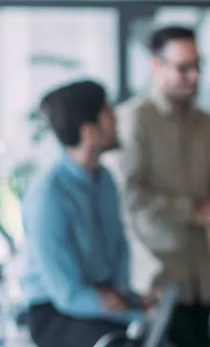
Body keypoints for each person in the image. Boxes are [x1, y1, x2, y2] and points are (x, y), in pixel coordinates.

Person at [114, 26, 210, 346]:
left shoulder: (209, 124)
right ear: (158, 66)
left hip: (204, 277)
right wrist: (194, 211)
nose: (194, 76)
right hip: (156, 276)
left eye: (198, 66)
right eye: (184, 67)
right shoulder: (134, 119)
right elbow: (129, 195)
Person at [22, 80, 151, 347]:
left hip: (103, 301)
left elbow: (118, 250)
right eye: (108, 113)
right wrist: (134, 311)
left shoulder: (104, 180)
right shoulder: (48, 194)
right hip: (57, 312)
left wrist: (132, 300)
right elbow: (67, 294)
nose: (116, 119)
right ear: (88, 131)